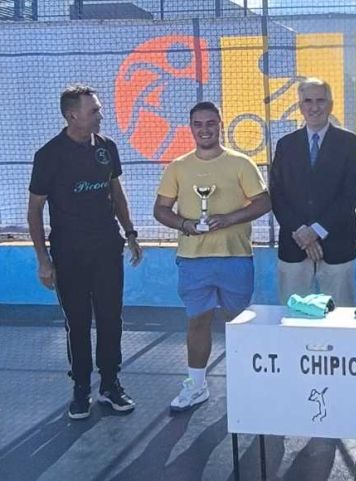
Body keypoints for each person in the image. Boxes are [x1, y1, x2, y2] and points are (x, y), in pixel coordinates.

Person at [27, 85, 143, 420]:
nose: (100, 114)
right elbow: (34, 211)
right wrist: (43, 260)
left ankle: (110, 384)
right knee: (77, 324)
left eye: (99, 109)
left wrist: (131, 233)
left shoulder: (106, 148)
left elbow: (116, 193)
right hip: (68, 256)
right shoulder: (48, 155)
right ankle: (81, 389)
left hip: (107, 250)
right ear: (72, 115)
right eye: (94, 110)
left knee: (110, 320)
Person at [153, 101, 270, 412]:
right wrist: (185, 224)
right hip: (193, 260)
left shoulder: (241, 164)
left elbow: (263, 203)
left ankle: (249, 384)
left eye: (210, 123)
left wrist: (228, 219)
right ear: (190, 127)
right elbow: (160, 210)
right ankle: (196, 386)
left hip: (235, 258)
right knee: (197, 323)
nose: (204, 129)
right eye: (198, 124)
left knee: (239, 325)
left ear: (220, 125)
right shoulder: (178, 167)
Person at [269, 78, 356, 307]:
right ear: (300, 106)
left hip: (338, 246)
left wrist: (316, 231)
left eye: (320, 100)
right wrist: (301, 232)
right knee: (293, 317)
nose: (314, 107)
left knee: (341, 318)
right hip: (294, 245)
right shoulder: (285, 145)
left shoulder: (351, 144)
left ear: (330, 105)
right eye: (308, 101)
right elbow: (277, 194)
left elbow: (350, 195)